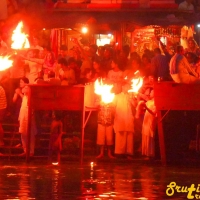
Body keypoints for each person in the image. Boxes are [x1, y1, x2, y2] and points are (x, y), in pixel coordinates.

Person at [113, 82, 135, 159]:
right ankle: (119, 153)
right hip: (120, 118)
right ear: (123, 87)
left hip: (128, 117)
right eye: (126, 86)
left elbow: (135, 105)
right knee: (120, 134)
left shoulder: (130, 96)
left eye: (128, 86)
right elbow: (113, 106)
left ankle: (128, 153)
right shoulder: (117, 96)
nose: (127, 88)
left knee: (129, 135)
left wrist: (132, 100)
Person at [18, 85, 36, 156]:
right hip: (23, 118)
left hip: (29, 118)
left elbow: (31, 108)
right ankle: (25, 150)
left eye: (26, 88)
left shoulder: (31, 97)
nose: (24, 89)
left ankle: (31, 151)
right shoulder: (24, 97)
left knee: (30, 134)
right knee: (23, 134)